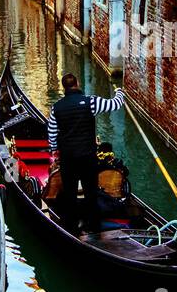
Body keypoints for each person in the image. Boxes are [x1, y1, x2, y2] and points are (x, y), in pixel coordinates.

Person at [46, 74, 125, 236]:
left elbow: (52, 134)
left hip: (68, 159)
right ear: (77, 83)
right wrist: (120, 92)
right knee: (91, 193)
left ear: (64, 88)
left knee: (70, 194)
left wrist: (54, 149)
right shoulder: (91, 101)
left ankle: (71, 228)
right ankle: (94, 227)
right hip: (88, 158)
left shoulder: (56, 107)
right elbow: (116, 104)